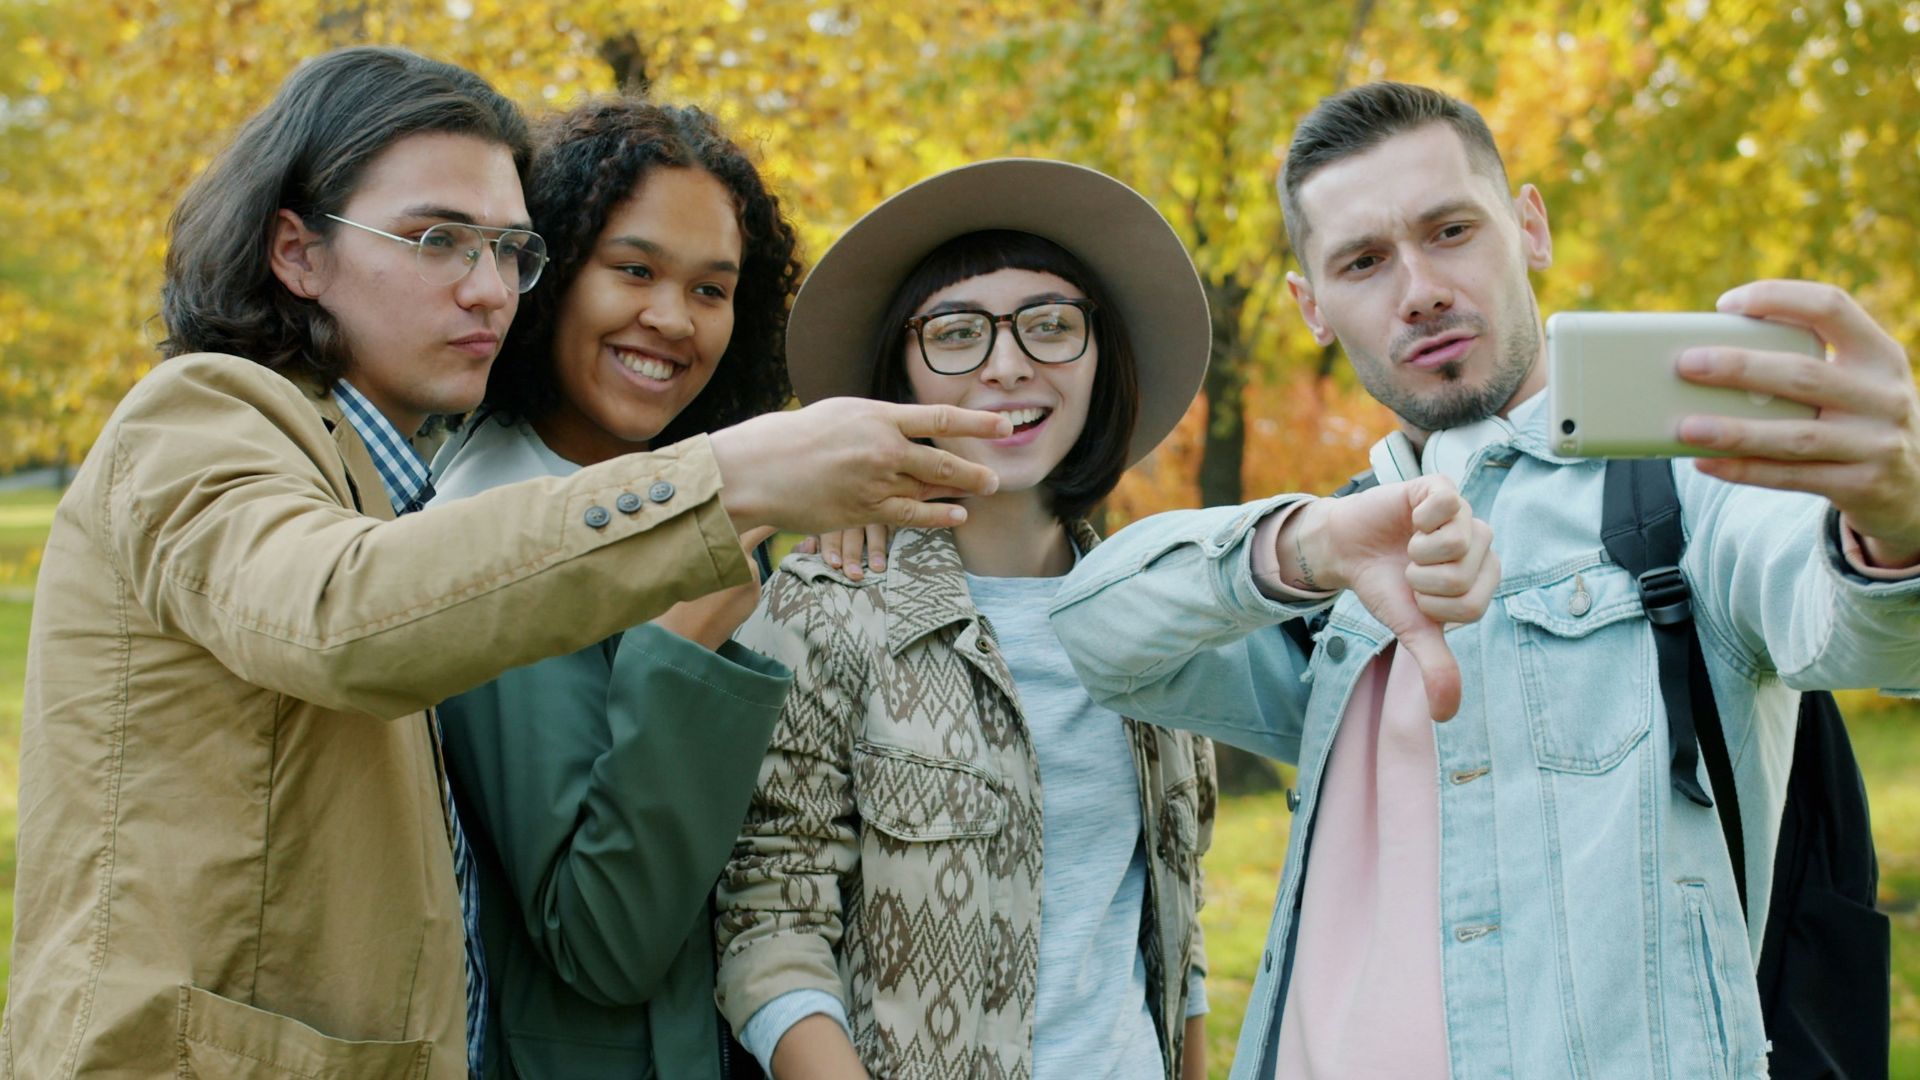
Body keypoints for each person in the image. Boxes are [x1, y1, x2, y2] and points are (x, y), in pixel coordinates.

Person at [2, 47, 1009, 1078]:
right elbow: (341, 615)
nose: (489, 290)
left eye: (509, 250)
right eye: (437, 239)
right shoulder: (200, 417)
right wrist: (732, 480)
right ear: (298, 253)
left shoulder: (385, 481)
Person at [1049, 81, 1920, 1079]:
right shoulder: (1327, 560)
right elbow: (1096, 634)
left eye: (1450, 230)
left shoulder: (1690, 489)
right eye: (1364, 261)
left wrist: (1897, 526)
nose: (1419, 289)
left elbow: (1869, 631)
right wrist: (1312, 548)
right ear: (1312, 307)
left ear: (1529, 227)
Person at [710, 158, 1494, 1080]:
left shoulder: (1163, 624)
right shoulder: (823, 606)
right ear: (900, 375)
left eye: (1050, 325)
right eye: (957, 333)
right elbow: (770, 924)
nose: (1009, 365)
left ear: (1099, 360)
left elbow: (1173, 923)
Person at [427, 97, 799, 1079]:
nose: (672, 319)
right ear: (547, 276)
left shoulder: (688, 499)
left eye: (711, 289)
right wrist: (678, 651)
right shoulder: (494, 529)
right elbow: (600, 942)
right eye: (633, 270)